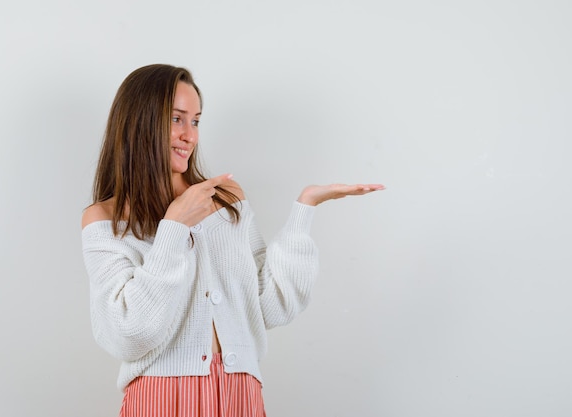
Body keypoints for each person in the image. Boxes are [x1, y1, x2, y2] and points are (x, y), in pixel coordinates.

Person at [81, 64, 385, 417]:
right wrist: (174, 227)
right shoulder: (105, 218)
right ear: (140, 123)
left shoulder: (225, 199)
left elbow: (268, 306)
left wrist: (305, 208)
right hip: (161, 397)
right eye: (176, 119)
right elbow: (129, 333)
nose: (189, 135)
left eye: (195, 121)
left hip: (240, 393)